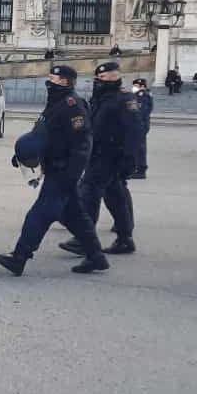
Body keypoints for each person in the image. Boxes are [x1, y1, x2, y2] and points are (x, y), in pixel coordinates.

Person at [0, 65, 108, 276]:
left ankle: (19, 257)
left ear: (65, 81)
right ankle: (96, 257)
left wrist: (71, 173)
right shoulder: (55, 103)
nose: (49, 82)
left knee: (39, 214)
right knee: (74, 216)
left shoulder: (73, 106)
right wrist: (23, 155)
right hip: (55, 167)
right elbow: (43, 135)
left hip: (63, 172)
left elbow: (83, 144)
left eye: (53, 78)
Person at [59, 61, 141, 258]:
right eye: (97, 78)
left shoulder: (124, 99)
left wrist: (130, 160)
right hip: (97, 153)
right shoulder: (102, 97)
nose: (98, 81)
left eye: (102, 78)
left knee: (89, 194)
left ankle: (83, 239)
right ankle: (124, 238)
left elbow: (134, 131)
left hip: (111, 156)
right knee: (115, 195)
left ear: (114, 77)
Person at [130, 77, 152, 178]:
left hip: (140, 125)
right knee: (136, 147)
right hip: (138, 124)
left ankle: (141, 170)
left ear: (142, 86)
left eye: (136, 86)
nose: (134, 87)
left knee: (140, 148)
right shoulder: (138, 95)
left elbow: (141, 111)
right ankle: (137, 168)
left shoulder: (142, 95)